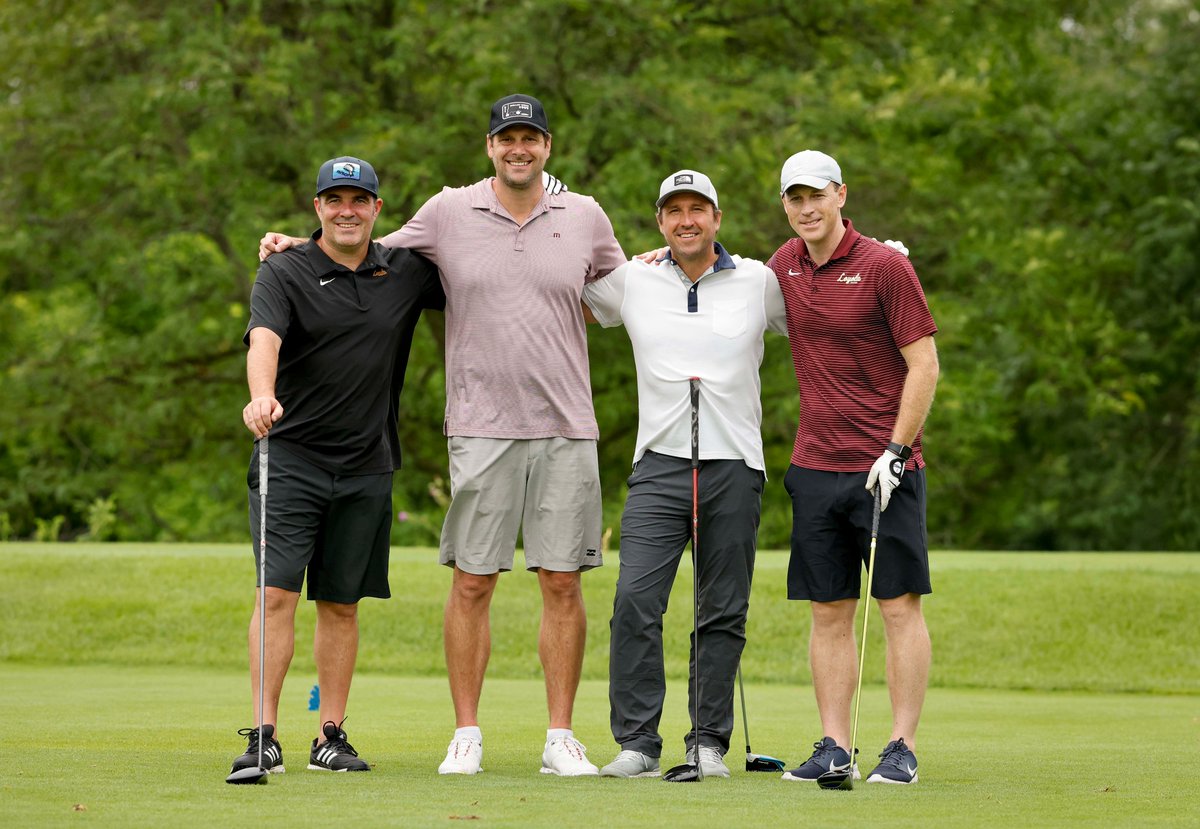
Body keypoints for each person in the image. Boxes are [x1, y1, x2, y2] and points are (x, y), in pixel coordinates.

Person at [258, 94, 627, 777]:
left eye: (530, 137)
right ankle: (466, 732)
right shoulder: (448, 212)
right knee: (472, 582)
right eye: (506, 137)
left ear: (548, 146)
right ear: (489, 145)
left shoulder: (586, 216)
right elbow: (358, 249)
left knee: (563, 582)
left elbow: (625, 290)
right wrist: (290, 246)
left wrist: (685, 260)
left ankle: (559, 736)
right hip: (479, 424)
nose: (519, 147)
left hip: (566, 425)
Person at [230, 156, 445, 777]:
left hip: (367, 463)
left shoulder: (405, 271)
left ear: (378, 209)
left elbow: (486, 273)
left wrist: (625, 269)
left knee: (341, 603)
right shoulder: (284, 270)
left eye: (359, 200)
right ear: (317, 207)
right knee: (275, 596)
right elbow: (263, 337)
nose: (346, 210)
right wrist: (260, 394)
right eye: (334, 200)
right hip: (290, 456)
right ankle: (264, 732)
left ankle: (329, 734)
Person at [582, 170, 787, 779]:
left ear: (717, 219)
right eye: (675, 211)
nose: (687, 220)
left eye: (699, 209)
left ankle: (707, 742)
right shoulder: (634, 280)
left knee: (720, 609)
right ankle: (639, 743)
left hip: (734, 466)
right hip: (659, 465)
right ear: (660, 222)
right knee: (635, 601)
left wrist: (885, 261)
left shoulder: (759, 281)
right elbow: (556, 292)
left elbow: (822, 302)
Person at [769, 150, 938, 786]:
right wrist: (660, 264)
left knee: (897, 607)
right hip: (814, 466)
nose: (807, 208)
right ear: (785, 205)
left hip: (885, 467)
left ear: (842, 195)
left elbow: (924, 364)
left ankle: (900, 746)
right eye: (794, 198)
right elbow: (724, 282)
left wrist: (897, 449)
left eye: (817, 195)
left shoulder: (886, 265)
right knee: (828, 610)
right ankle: (834, 746)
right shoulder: (783, 265)